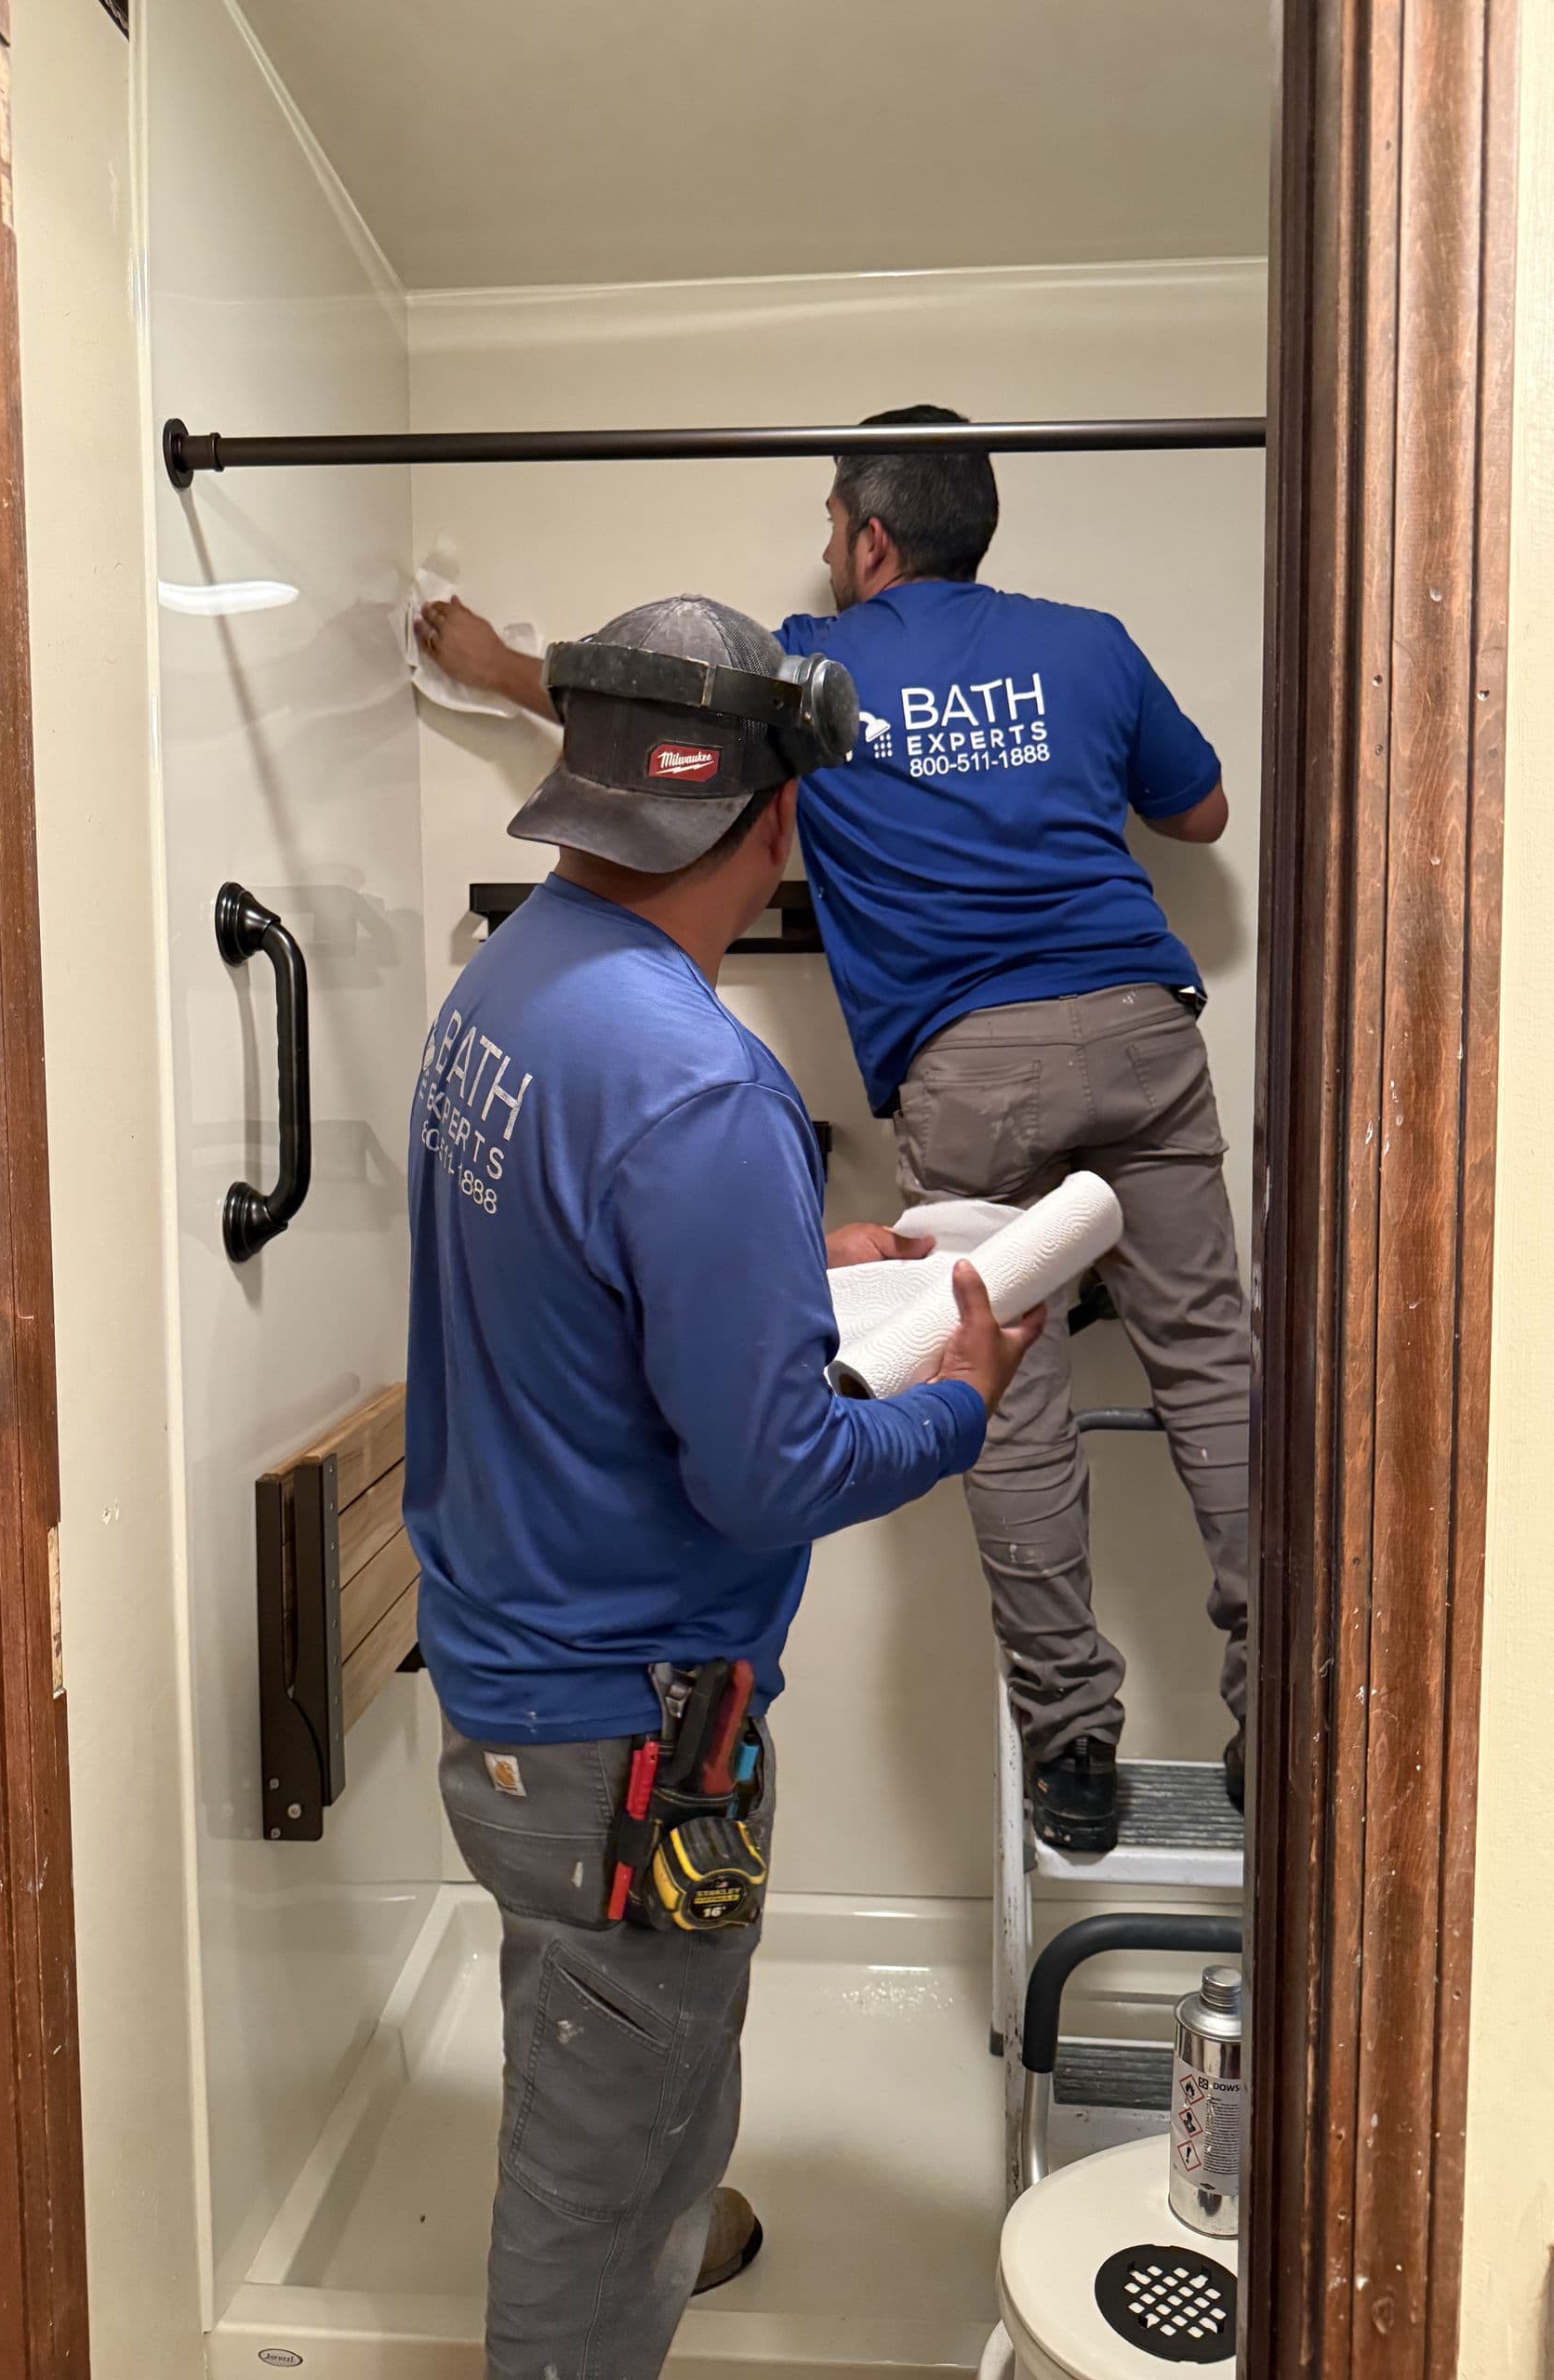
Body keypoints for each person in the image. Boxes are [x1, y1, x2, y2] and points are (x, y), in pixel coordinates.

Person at [417, 406, 1251, 1858]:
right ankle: (1280, 1707)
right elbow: (1204, 812)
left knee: (1012, 1399)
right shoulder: (1096, 643)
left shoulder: (820, 682)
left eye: (826, 527)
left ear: (872, 537)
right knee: (1216, 1370)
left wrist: (490, 665)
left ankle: (1073, 1745)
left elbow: (654, 725)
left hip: (974, 1068)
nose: (820, 554)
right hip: (1141, 1032)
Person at [405, 592, 1041, 2380]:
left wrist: (787, 1253)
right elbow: (770, 1476)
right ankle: (609, 2279)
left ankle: (668, 2190)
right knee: (584, 2183)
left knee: (643, 2047)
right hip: (623, 1729)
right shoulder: (698, 1083)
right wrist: (963, 1397)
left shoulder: (518, 980)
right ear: (776, 819)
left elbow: (577, 1256)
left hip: (521, 1666)